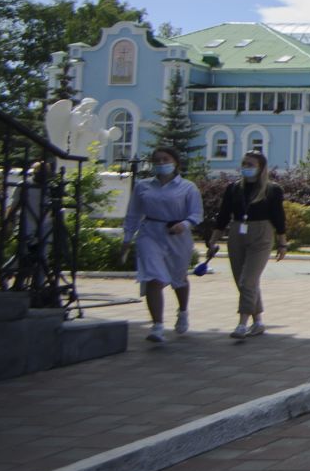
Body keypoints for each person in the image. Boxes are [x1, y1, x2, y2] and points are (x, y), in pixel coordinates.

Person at [122, 147, 204, 343]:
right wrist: (127, 239)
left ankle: (182, 311)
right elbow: (133, 213)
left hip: (177, 236)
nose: (161, 164)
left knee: (179, 277)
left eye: (165, 159)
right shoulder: (143, 186)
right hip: (150, 233)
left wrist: (183, 225)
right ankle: (157, 325)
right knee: (153, 278)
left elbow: (196, 214)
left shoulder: (187, 187)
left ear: (175, 162)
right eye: (157, 160)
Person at [206, 150, 287, 337]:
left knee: (248, 280)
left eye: (250, 165)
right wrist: (214, 238)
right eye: (244, 164)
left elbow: (278, 218)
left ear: (260, 168)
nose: (246, 168)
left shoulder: (272, 189)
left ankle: (242, 324)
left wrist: (282, 243)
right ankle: (257, 322)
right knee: (241, 280)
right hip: (237, 231)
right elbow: (223, 214)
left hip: (262, 232)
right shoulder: (233, 188)